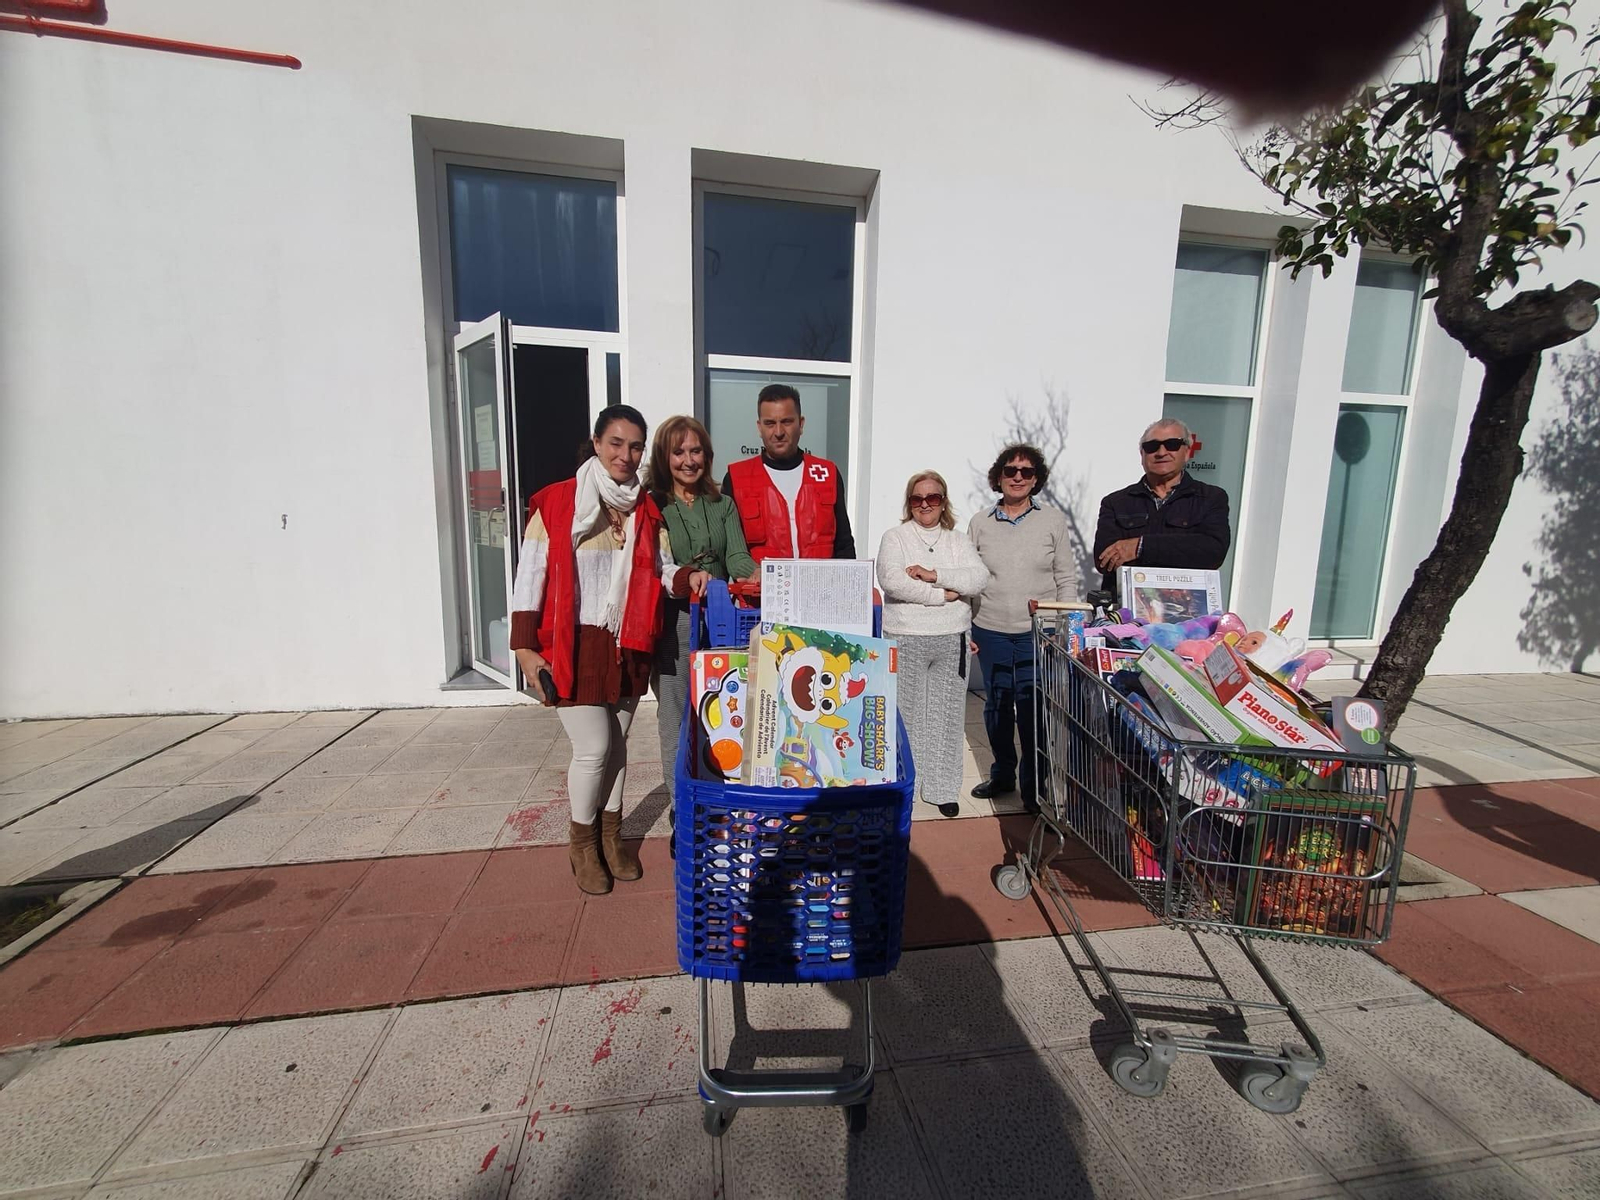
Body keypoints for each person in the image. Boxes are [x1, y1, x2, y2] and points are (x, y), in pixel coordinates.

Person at [510, 405, 676, 896]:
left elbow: (662, 569)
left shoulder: (643, 507)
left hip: (626, 642)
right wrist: (523, 647)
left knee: (619, 748)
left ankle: (611, 838)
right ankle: (582, 843)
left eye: (635, 446)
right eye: (616, 443)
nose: (626, 455)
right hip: (574, 641)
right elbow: (531, 575)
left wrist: (690, 578)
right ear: (597, 442)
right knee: (594, 747)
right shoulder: (560, 502)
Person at [644, 415, 758, 773]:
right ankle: (682, 805)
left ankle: (718, 795)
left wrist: (754, 573)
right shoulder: (652, 505)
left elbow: (736, 554)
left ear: (707, 455)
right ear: (664, 456)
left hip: (721, 616)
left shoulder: (721, 503)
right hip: (673, 620)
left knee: (724, 708)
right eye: (678, 452)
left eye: (696, 451)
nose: (688, 460)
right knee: (676, 715)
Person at [967, 443, 1078, 811]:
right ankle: (1002, 774)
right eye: (1010, 471)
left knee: (1033, 710)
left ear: (1036, 480)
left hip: (1039, 633)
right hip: (991, 627)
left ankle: (1035, 787)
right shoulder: (980, 522)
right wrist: (966, 628)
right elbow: (969, 577)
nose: (1017, 477)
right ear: (999, 477)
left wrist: (1066, 626)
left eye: (1026, 472)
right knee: (997, 706)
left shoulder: (1052, 521)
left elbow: (1066, 575)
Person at [877, 471, 990, 818]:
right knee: (906, 717)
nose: (925, 504)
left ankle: (941, 788)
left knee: (946, 717)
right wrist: (943, 595)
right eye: (917, 498)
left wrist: (932, 574)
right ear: (909, 503)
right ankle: (905, 787)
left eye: (933, 497)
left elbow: (979, 577)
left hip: (951, 639)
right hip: (906, 636)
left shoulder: (958, 541)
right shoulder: (895, 537)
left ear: (944, 502)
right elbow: (892, 581)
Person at [1091, 417, 1231, 593]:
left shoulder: (1210, 498)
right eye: (1152, 447)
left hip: (1188, 611)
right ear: (1142, 455)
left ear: (1187, 452)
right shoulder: (1116, 502)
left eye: (1172, 444)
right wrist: (1181, 551)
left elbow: (1212, 552)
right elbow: (1104, 560)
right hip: (1126, 612)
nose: (1161, 452)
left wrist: (1140, 547)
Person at [721, 384, 856, 563]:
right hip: (761, 590)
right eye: (770, 423)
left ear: (801, 424)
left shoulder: (827, 473)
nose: (778, 432)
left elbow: (843, 543)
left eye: (786, 422)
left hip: (818, 587)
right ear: (759, 427)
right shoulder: (736, 478)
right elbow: (727, 549)